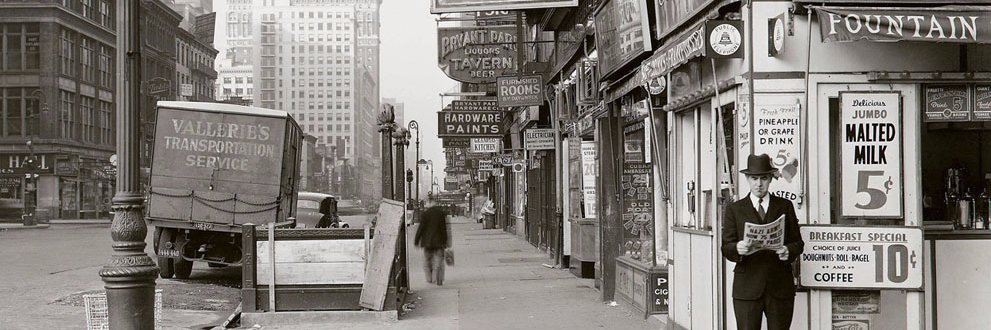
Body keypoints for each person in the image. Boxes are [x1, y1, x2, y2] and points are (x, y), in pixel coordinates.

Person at [721, 154, 804, 330]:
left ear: (770, 179)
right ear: (747, 179)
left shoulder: (784, 205)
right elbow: (726, 247)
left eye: (764, 178)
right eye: (754, 178)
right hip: (747, 288)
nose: (759, 184)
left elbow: (798, 243)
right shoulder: (735, 209)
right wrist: (737, 248)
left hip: (779, 286)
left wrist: (788, 251)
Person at [414, 205, 451, 285]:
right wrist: (445, 241)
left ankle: (429, 278)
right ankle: (436, 278)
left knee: (427, 260)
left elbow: (421, 228)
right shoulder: (441, 214)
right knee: (439, 260)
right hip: (439, 241)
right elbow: (443, 229)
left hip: (427, 242)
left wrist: (416, 240)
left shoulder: (425, 213)